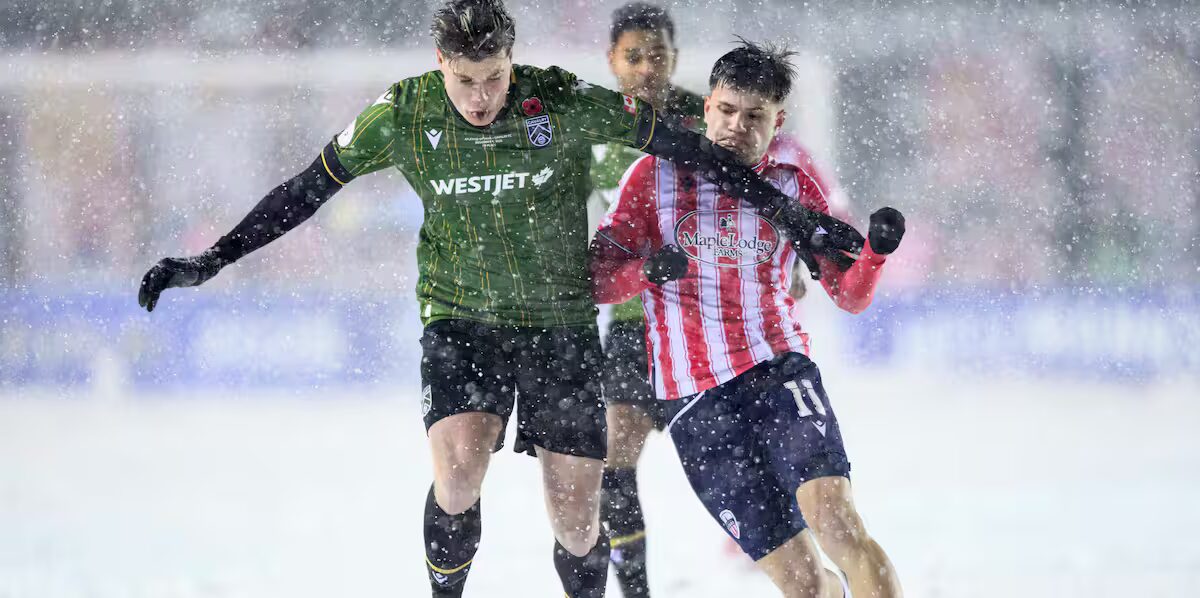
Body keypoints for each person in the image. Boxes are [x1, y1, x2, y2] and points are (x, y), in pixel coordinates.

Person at [135, 1, 865, 595]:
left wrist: (792, 215)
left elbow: (691, 148)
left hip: (559, 323)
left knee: (577, 522)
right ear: (441, 64)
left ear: (512, 60)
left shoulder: (562, 100)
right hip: (461, 318)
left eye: (495, 78)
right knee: (457, 473)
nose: (483, 98)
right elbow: (304, 191)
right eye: (467, 81)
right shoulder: (402, 114)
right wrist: (212, 259)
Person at [590, 40, 905, 598]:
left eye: (754, 116)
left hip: (778, 370)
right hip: (693, 399)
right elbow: (596, 277)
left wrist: (875, 255)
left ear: (777, 121)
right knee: (804, 584)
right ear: (707, 106)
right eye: (727, 111)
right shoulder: (651, 178)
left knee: (837, 524)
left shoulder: (792, 183)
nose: (737, 127)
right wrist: (646, 272)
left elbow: (848, 295)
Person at [587, 4, 703, 597]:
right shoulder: (593, 131)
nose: (646, 67)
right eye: (633, 56)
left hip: (709, 317)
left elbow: (757, 190)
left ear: (674, 59)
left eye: (657, 55)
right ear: (612, 60)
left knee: (734, 453)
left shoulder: (708, 121)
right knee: (614, 459)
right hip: (636, 317)